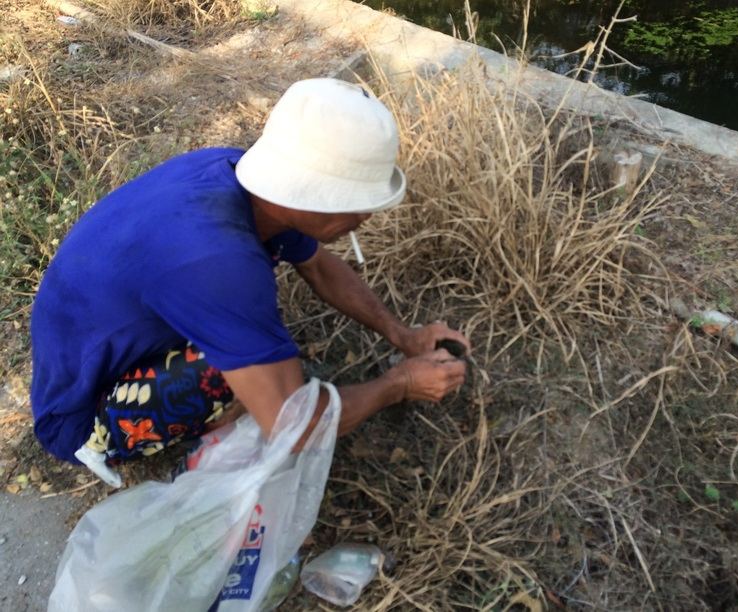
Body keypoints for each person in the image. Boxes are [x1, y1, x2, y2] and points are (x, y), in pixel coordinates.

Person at [30, 78, 469, 480]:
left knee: (253, 344)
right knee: (227, 377)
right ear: (310, 197)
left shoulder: (240, 179)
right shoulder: (220, 264)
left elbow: (317, 265)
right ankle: (135, 441)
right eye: (356, 203)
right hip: (80, 416)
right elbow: (292, 426)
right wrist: (401, 383)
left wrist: (402, 335)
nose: (365, 217)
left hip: (92, 356)